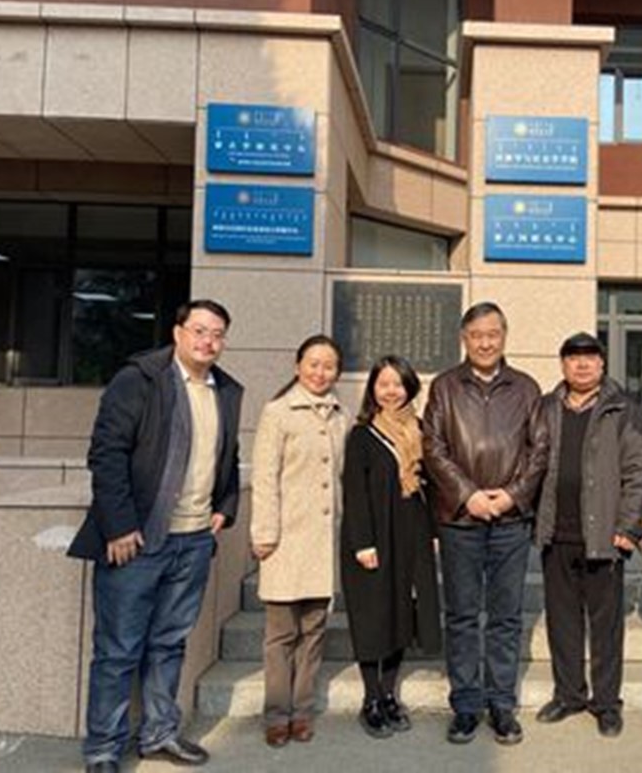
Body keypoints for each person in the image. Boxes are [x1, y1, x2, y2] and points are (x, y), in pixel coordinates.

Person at [68, 299, 243, 773]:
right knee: (117, 650)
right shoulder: (140, 379)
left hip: (194, 540)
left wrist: (225, 507)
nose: (208, 341)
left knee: (169, 644)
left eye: (218, 334)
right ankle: (103, 748)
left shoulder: (225, 389)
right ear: (178, 332)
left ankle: (159, 734)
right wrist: (120, 525)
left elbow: (228, 455)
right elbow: (106, 453)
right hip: (138, 540)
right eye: (200, 330)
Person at [422, 302, 543, 746]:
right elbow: (433, 446)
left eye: (493, 334)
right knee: (462, 615)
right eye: (477, 335)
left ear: (504, 336)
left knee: (506, 617)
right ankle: (466, 705)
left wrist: (511, 495)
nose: (485, 343)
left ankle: (501, 704)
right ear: (464, 339)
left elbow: (540, 449)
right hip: (460, 519)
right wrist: (468, 495)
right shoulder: (445, 386)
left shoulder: (525, 388)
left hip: (511, 520)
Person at [531, 332, 642, 737]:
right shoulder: (546, 408)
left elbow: (640, 470)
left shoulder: (622, 409)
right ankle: (568, 695)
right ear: (562, 364)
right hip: (557, 533)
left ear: (602, 364)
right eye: (573, 358)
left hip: (604, 536)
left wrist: (629, 526)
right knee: (562, 622)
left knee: (605, 627)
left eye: (589, 358)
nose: (582, 365)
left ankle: (606, 703)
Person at [250, 335, 349, 747]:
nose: (320, 372)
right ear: (297, 366)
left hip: (323, 542)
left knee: (314, 632)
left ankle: (302, 710)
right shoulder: (278, 412)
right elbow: (264, 476)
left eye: (328, 366)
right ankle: (277, 714)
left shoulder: (341, 415)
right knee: (280, 635)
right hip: (286, 540)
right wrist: (264, 533)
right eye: (313, 364)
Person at [341, 355, 442, 739]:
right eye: (383, 384)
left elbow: (429, 484)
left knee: (401, 611)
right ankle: (370, 698)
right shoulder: (363, 435)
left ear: (409, 387)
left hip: (411, 532)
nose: (391, 391)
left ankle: (388, 695)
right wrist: (362, 542)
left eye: (398, 384)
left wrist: (432, 531)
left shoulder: (419, 429)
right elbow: (355, 493)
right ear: (373, 389)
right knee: (373, 614)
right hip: (374, 536)